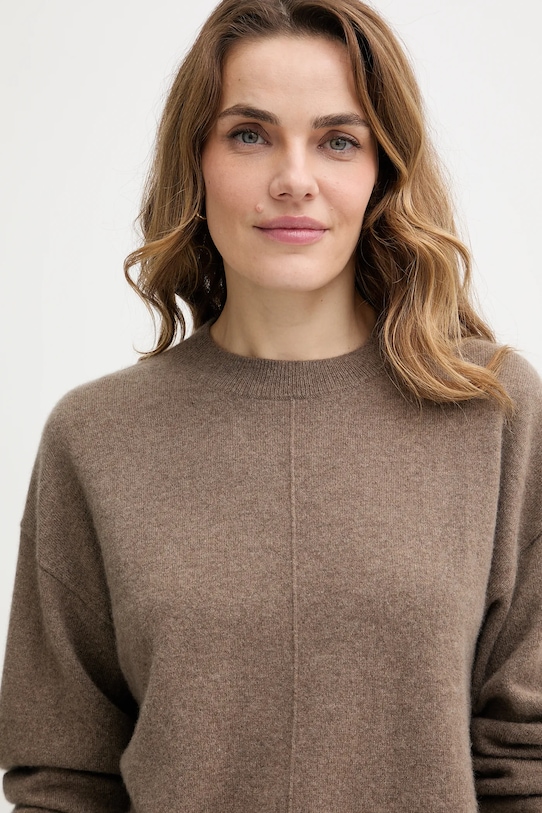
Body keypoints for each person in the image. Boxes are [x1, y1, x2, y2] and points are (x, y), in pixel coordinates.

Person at [0, 0, 541, 810]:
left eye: (338, 140)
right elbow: (64, 778)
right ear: (196, 161)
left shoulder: (493, 410)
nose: (294, 179)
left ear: (381, 172)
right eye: (249, 135)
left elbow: (527, 761)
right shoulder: (95, 437)